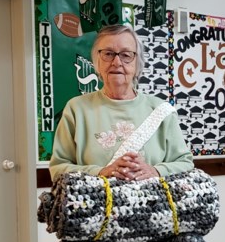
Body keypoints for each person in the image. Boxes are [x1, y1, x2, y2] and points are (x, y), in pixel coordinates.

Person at [49, 23, 194, 183]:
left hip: (154, 205)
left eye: (126, 55)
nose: (117, 62)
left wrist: (155, 171)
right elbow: (58, 169)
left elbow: (185, 163)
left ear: (137, 63)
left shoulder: (160, 110)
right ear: (96, 61)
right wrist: (100, 172)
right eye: (108, 54)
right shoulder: (77, 109)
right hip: (94, 206)